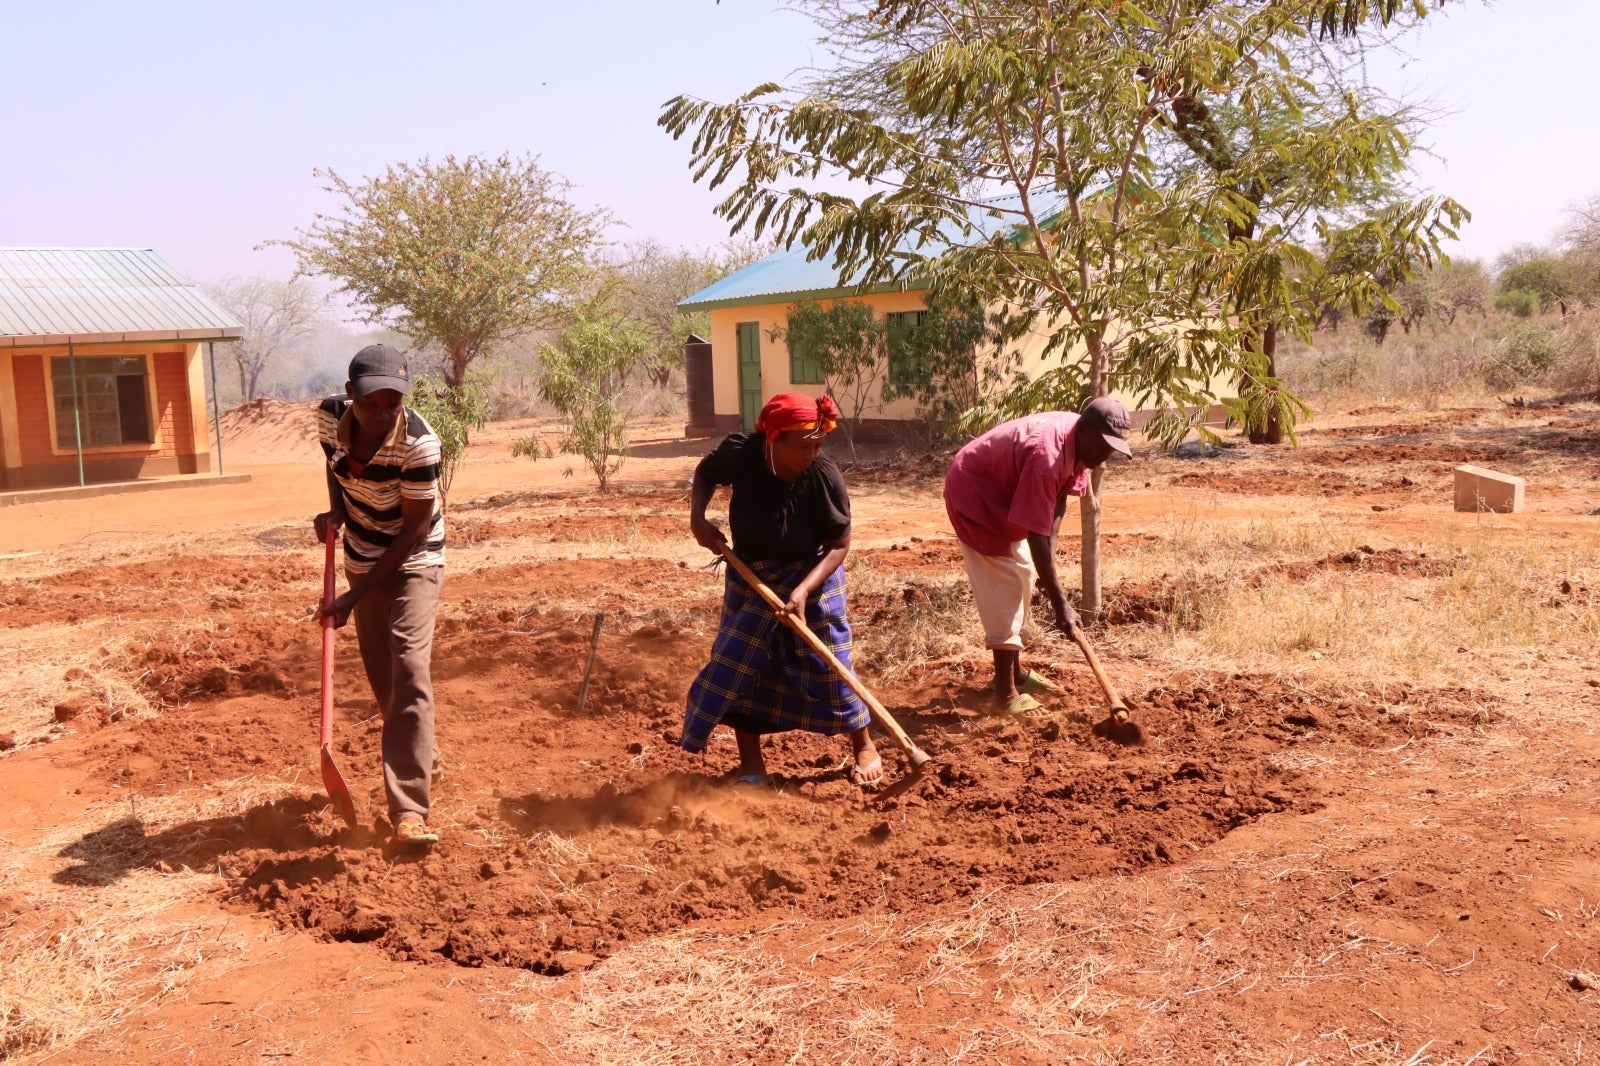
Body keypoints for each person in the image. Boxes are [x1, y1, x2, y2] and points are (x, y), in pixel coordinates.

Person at [682, 393, 883, 786]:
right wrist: (697, 520)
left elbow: (838, 546)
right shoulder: (742, 453)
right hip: (751, 574)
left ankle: (864, 744)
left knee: (830, 661)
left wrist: (803, 591)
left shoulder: (823, 476)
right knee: (743, 665)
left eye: (819, 445)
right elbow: (705, 473)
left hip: (812, 576)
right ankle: (751, 764)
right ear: (774, 439)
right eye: (804, 446)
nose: (813, 454)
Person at [313, 344, 447, 846]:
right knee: (384, 679)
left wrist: (354, 598)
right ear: (351, 394)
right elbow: (334, 464)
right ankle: (423, 753)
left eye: (394, 403)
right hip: (361, 554)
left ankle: (409, 810)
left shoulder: (419, 445)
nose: (383, 413)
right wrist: (337, 510)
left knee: (407, 663)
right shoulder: (330, 416)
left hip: (414, 558)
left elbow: (414, 530)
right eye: (371, 403)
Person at [943, 396, 1133, 716]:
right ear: (1084, 429)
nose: (1105, 455)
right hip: (975, 496)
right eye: (1103, 445)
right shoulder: (1048, 456)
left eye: (1111, 448)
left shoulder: (1081, 449)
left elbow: (1057, 502)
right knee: (1005, 585)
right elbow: (1036, 532)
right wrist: (1061, 604)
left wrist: (1049, 561)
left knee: (1025, 574)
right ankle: (1005, 693)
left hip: (1007, 498)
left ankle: (1015, 674)